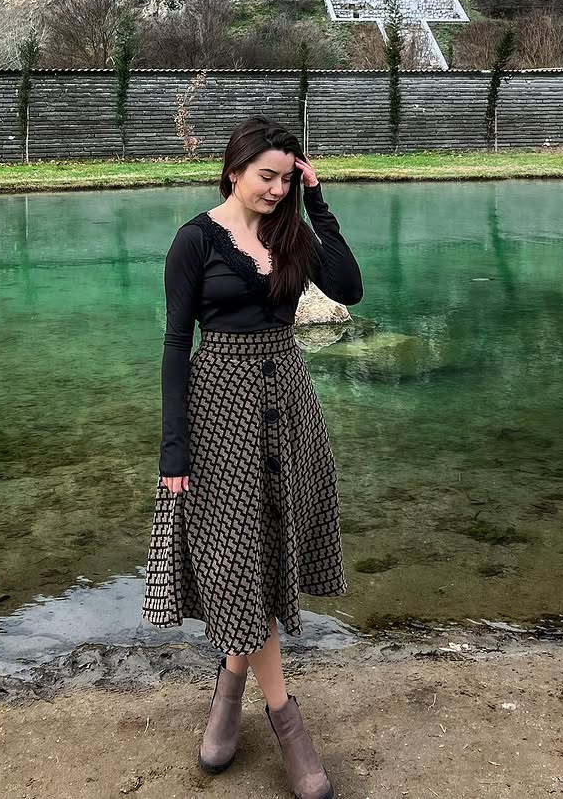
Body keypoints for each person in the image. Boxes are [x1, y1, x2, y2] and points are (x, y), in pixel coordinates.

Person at [141, 115, 364, 799]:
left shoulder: (291, 232)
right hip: (220, 408)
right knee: (240, 558)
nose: (275, 189)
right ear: (233, 170)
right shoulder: (194, 241)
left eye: (286, 179)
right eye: (266, 176)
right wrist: (173, 448)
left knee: (266, 554)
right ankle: (286, 719)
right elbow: (175, 346)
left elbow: (348, 287)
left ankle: (228, 690)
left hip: (289, 402)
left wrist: (317, 202)